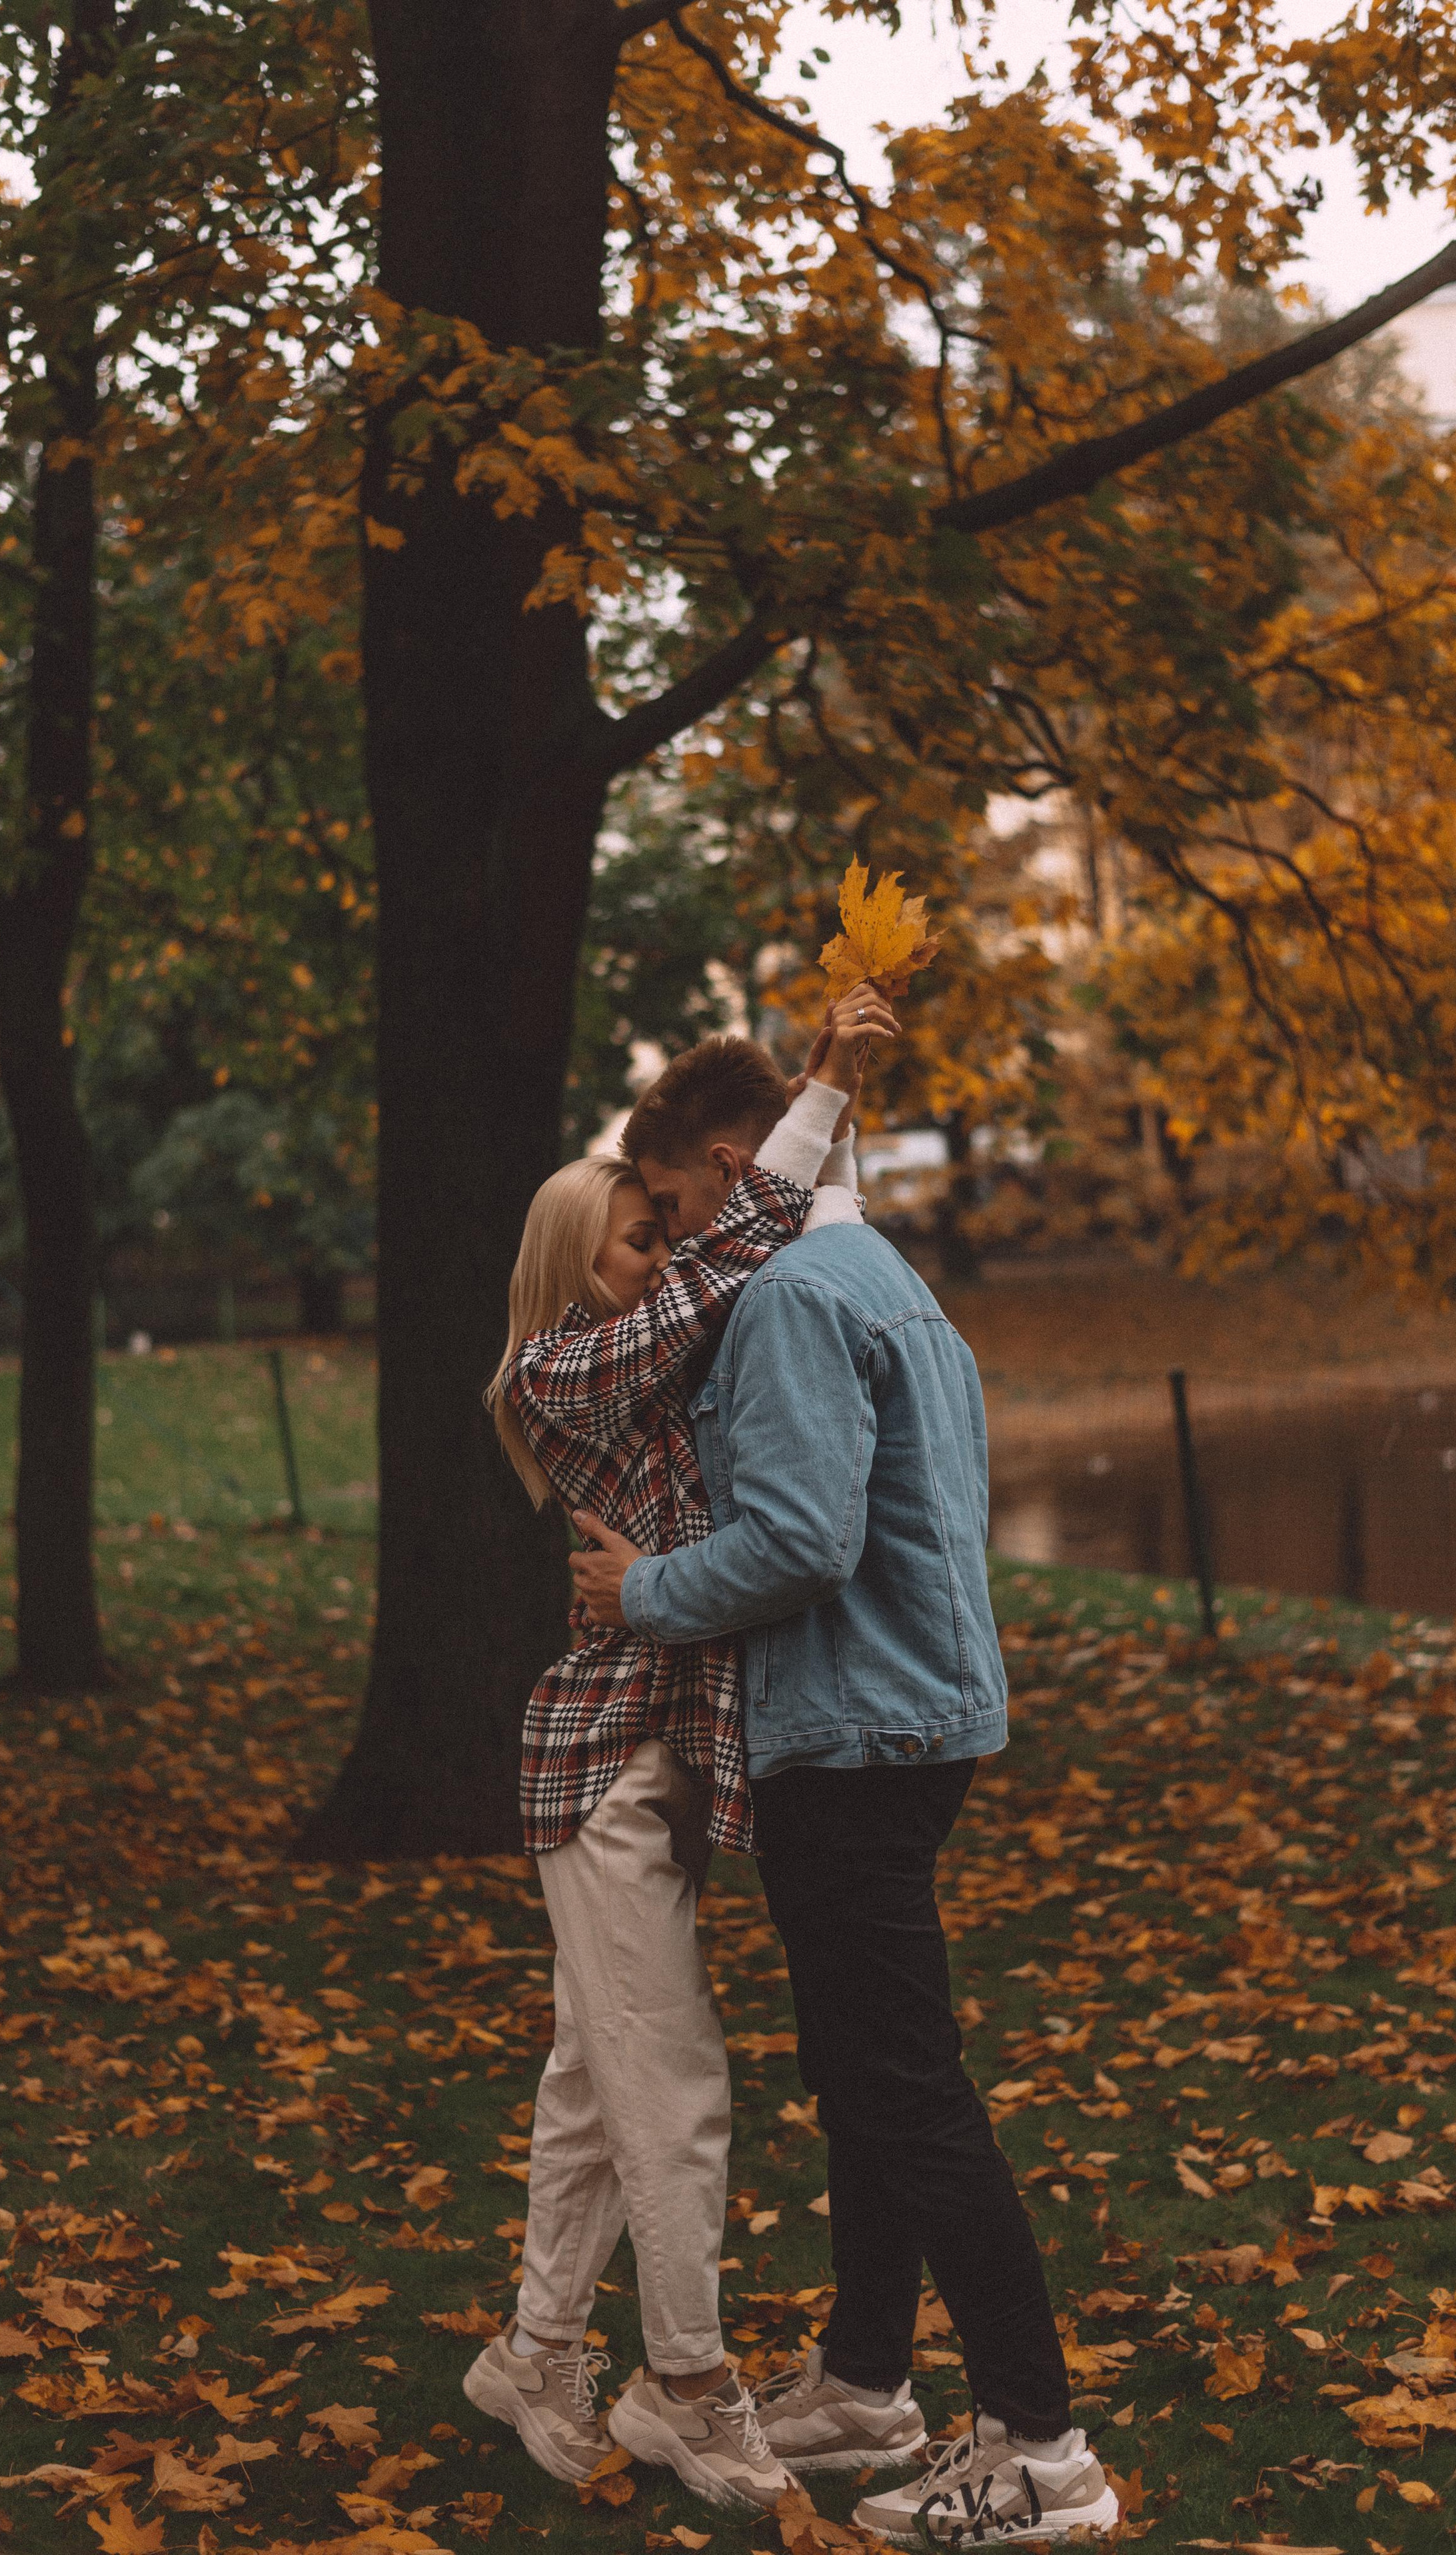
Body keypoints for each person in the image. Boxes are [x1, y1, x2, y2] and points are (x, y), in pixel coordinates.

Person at [569, 1064, 1121, 2547]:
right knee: (862, 2068)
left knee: (905, 2086)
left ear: (733, 1160)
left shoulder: (791, 1298)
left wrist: (645, 1592)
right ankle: (869, 2377)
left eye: (678, 1202)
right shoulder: (880, 1273)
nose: (675, 1239)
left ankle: (1040, 2445)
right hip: (909, 1713)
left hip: (852, 1727)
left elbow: (802, 1539)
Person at [462, 988, 898, 2516]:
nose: (667, 1248)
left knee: (595, 2079)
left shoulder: (646, 1355)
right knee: (672, 2082)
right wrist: (825, 1085)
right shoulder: (560, 1370)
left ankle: (532, 2351)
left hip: (654, 1762)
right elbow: (728, 1255)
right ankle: (692, 2385)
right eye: (636, 1235)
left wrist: (828, 1119)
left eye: (660, 1226)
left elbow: (753, 1256)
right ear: (567, 1268)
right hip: (596, 1772)